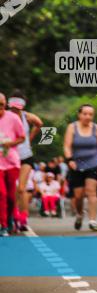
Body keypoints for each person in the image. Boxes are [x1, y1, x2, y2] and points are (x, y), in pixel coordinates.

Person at [63, 103, 97, 231]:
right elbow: (67, 146)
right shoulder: (72, 128)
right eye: (85, 114)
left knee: (91, 191)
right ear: (79, 115)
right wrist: (69, 159)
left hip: (93, 163)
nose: (88, 116)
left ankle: (92, 221)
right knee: (78, 196)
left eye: (91, 114)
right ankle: (79, 214)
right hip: (76, 165)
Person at [8, 92, 43, 232]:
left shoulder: (27, 116)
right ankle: (13, 215)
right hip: (10, 157)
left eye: (18, 107)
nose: (15, 110)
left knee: (22, 188)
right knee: (11, 189)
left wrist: (30, 138)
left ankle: (23, 218)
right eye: (13, 108)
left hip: (26, 156)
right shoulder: (5, 117)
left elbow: (39, 123)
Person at [0, 92, 26, 236]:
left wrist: (10, 143)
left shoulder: (13, 118)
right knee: (1, 193)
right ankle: (3, 224)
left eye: (2, 105)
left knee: (10, 195)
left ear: (6, 105)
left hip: (11, 162)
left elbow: (22, 138)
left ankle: (10, 218)